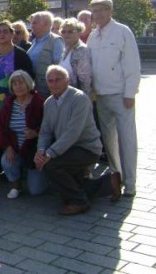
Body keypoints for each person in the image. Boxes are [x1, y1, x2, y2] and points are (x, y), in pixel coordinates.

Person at [34, 65, 122, 215]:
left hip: (87, 148)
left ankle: (79, 202)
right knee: (70, 181)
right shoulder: (48, 103)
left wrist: (49, 154)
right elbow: (45, 132)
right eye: (50, 81)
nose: (54, 84)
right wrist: (41, 151)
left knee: (53, 166)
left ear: (67, 80)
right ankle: (109, 183)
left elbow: (72, 133)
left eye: (58, 80)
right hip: (67, 149)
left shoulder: (79, 99)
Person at [87, 0, 140, 197]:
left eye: (101, 10)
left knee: (127, 139)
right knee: (109, 142)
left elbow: (132, 65)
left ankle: (131, 183)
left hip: (120, 95)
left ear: (110, 11)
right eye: (94, 11)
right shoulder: (93, 36)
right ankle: (116, 178)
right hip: (100, 96)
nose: (97, 15)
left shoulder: (122, 32)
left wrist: (130, 93)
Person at [0, 70, 46, 198]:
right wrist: (7, 147)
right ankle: (16, 185)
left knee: (36, 191)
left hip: (33, 151)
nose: (18, 87)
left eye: (21, 83)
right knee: (6, 161)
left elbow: (48, 126)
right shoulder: (8, 103)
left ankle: (44, 176)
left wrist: (35, 133)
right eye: (15, 84)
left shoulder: (39, 102)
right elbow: (2, 128)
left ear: (28, 84)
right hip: (15, 148)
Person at [0, 20, 34, 122]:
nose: (2, 34)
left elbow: (29, 81)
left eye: (5, 31)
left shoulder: (21, 55)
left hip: (13, 106)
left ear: (12, 34)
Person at [27, 11, 64, 98]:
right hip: (36, 88)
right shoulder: (35, 41)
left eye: (35, 22)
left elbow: (59, 66)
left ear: (46, 24)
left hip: (49, 90)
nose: (31, 25)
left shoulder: (56, 41)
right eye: (31, 23)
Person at [59, 18, 92, 96]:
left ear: (79, 32)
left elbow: (86, 80)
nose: (66, 34)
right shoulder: (65, 50)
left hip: (77, 96)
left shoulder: (81, 50)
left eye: (70, 31)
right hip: (65, 95)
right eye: (63, 32)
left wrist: (85, 99)